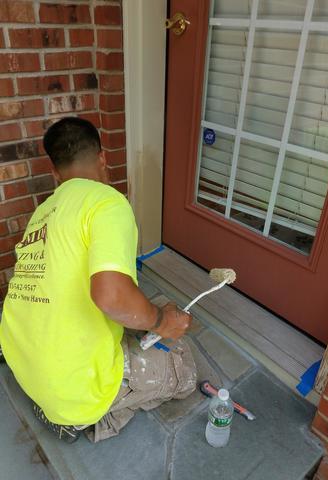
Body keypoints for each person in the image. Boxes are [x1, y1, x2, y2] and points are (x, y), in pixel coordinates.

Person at [0, 117, 197, 443]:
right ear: (103, 158)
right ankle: (79, 419)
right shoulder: (107, 202)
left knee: (148, 308)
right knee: (183, 366)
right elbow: (110, 297)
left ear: (55, 174)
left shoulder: (42, 213)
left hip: (23, 358)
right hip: (67, 386)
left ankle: (60, 400)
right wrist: (161, 322)